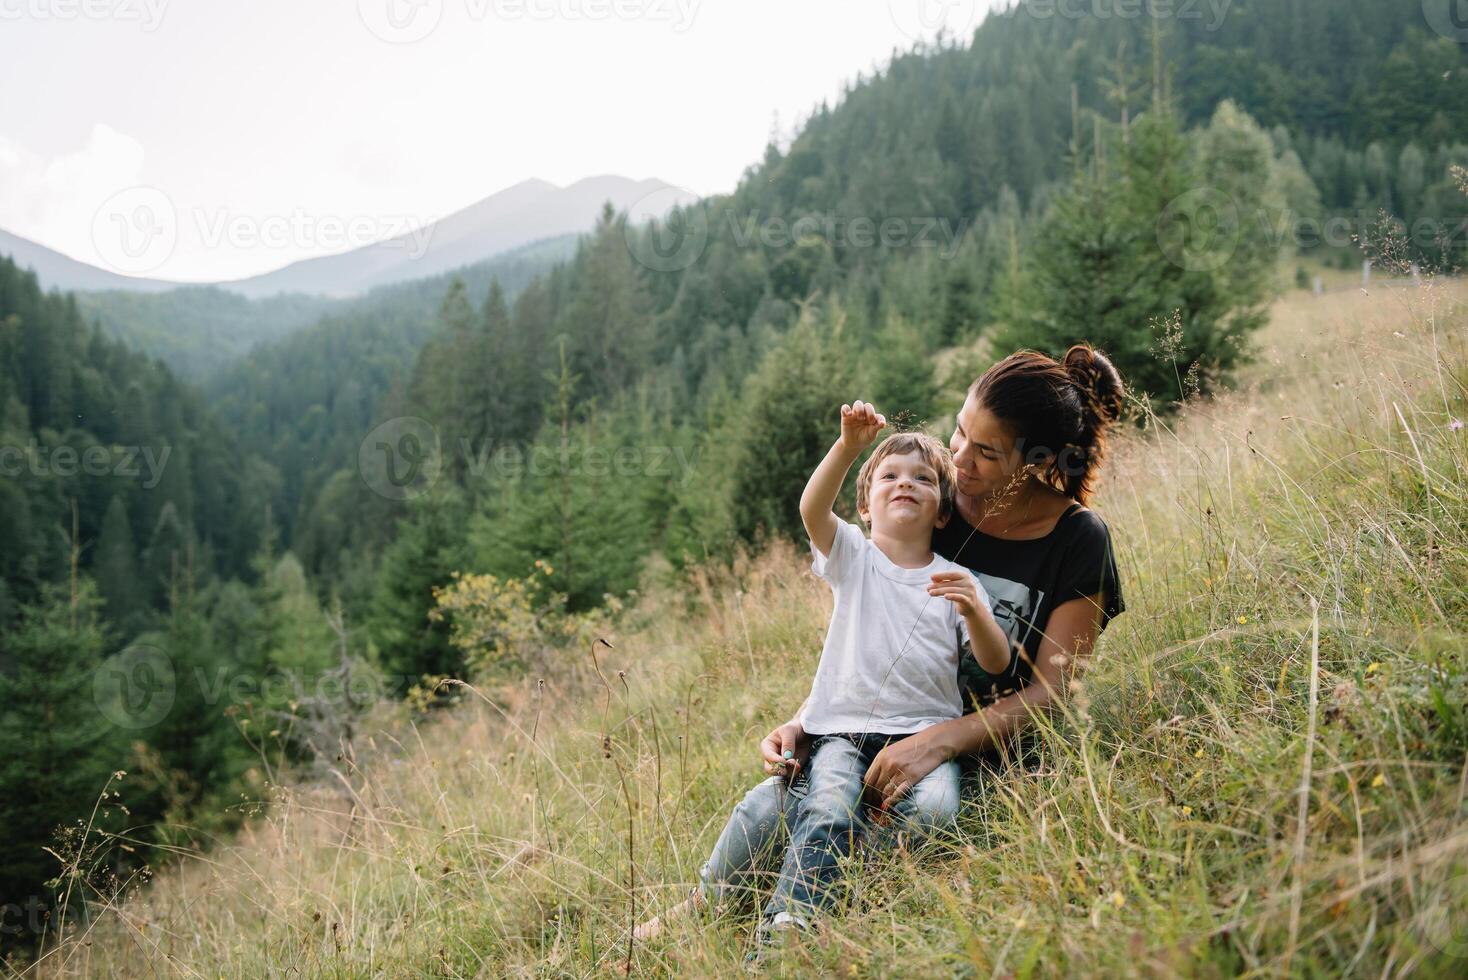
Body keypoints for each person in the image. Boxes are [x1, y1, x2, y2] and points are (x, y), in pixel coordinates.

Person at [637, 343, 1127, 944]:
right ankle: (712, 905)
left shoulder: (1078, 541)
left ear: (1037, 461)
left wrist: (938, 742)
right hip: (877, 723)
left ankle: (827, 906)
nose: (959, 461)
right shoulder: (944, 506)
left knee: (921, 814)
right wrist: (806, 721)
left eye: (986, 452)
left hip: (987, 753)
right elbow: (879, 628)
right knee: (772, 804)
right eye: (959, 433)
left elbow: (1053, 694)